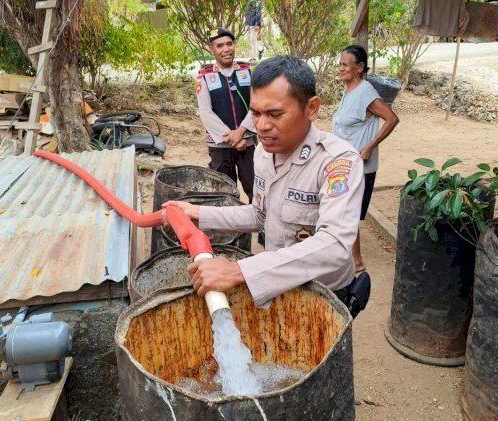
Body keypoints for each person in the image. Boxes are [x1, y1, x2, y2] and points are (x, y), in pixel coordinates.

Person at [165, 55, 369, 317]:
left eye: (274, 114)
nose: (261, 126)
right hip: (278, 289)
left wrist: (239, 271)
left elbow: (335, 246)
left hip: (324, 298)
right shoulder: (263, 154)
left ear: (312, 108)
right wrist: (199, 213)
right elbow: (259, 214)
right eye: (255, 113)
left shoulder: (337, 162)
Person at [332, 44, 399, 273]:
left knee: (348, 214)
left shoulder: (366, 92)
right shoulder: (350, 88)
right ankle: (350, 258)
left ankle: (357, 263)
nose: (341, 69)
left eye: (345, 65)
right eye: (340, 64)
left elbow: (391, 119)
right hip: (345, 164)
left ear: (359, 67)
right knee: (343, 212)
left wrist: (369, 147)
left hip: (360, 166)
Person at [196, 28, 256, 202]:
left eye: (229, 44)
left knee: (256, 189)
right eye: (220, 45)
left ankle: (261, 228)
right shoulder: (205, 76)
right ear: (212, 49)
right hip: (220, 147)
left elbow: (256, 105)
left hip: (247, 142)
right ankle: (232, 230)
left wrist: (241, 131)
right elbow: (206, 113)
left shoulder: (247, 72)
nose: (226, 49)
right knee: (223, 193)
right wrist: (232, 138)